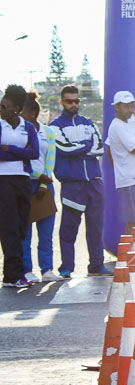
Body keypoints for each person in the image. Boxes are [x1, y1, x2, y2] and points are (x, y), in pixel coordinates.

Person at [50, 84, 109, 278]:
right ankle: (66, 267)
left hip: (94, 181)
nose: (74, 104)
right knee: (68, 228)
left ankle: (97, 265)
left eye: (76, 101)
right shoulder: (55, 126)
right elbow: (64, 149)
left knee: (95, 226)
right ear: (62, 102)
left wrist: (79, 150)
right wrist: (85, 146)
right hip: (72, 184)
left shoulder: (89, 122)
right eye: (69, 101)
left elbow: (99, 148)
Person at [0, 85, 39, 288]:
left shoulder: (28, 127)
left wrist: (10, 149)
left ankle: (10, 275)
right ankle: (14, 275)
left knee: (22, 226)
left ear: (16, 108)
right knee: (9, 227)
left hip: (23, 179)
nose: (1, 109)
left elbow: (34, 153)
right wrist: (20, 151)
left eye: (5, 106)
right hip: (3, 180)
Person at [19, 91, 59, 283]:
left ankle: (47, 269)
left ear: (33, 113)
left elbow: (50, 159)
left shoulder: (48, 132)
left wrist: (44, 181)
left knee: (46, 230)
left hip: (45, 186)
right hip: (25, 183)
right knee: (25, 231)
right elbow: (22, 160)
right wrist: (37, 176)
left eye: (23, 112)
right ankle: (26, 270)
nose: (20, 116)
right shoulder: (19, 133)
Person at [105, 91, 135, 234]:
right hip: (132, 181)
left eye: (131, 106)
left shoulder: (130, 124)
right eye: (126, 107)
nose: (130, 110)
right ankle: (130, 256)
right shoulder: (117, 126)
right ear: (117, 107)